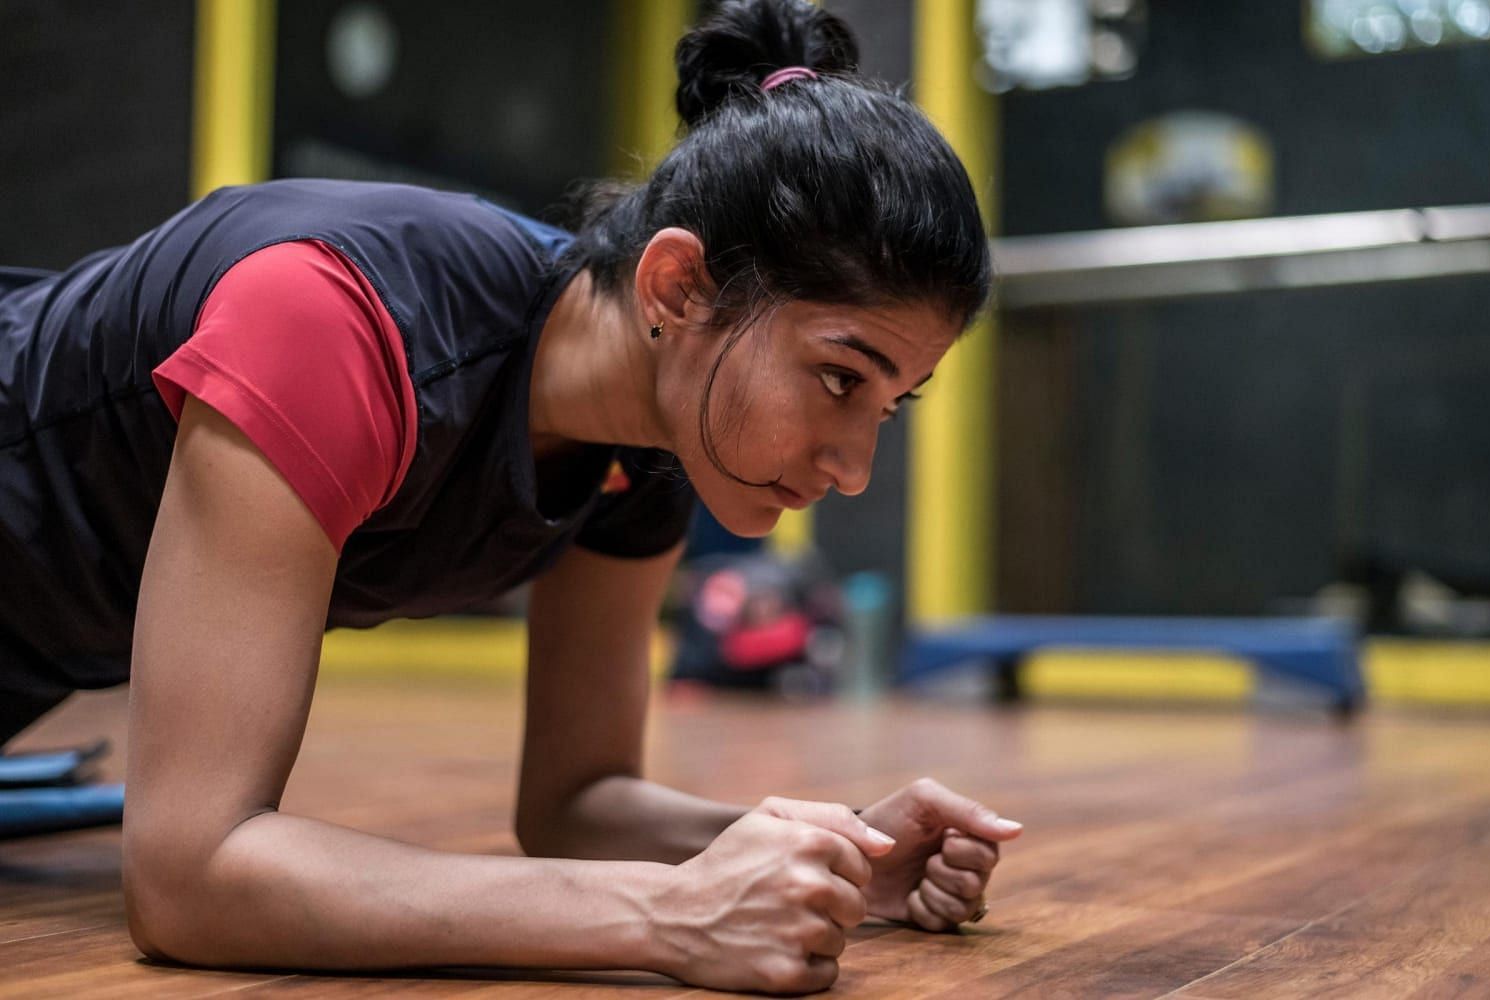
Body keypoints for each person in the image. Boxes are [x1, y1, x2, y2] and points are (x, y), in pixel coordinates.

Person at [0, 0, 1023, 993]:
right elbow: (188, 877)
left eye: (890, 406)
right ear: (676, 288)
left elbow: (578, 803)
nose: (853, 466)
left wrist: (838, 848)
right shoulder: (332, 320)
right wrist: (666, 916)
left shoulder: (646, 449)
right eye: (842, 376)